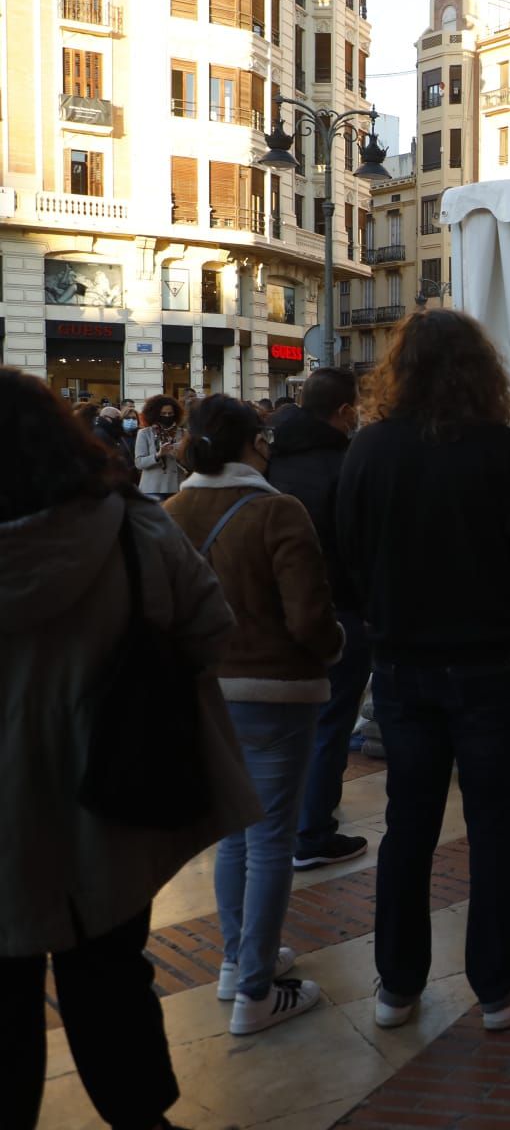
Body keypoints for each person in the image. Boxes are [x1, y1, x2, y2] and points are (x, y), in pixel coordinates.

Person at [0, 368, 258, 1130]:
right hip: (113, 791)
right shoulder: (129, 524)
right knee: (111, 973)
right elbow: (211, 631)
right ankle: (141, 1119)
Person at [336, 309, 510, 1033]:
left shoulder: (369, 449)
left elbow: (343, 566)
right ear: (480, 372)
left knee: (409, 826)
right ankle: (498, 989)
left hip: (403, 666)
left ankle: (396, 988)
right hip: (491, 663)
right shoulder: (501, 449)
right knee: (495, 828)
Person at [166, 396, 342, 1035]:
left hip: (205, 695)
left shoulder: (170, 513)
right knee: (271, 840)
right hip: (276, 692)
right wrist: (337, 649)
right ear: (255, 443)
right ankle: (257, 991)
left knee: (234, 837)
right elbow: (309, 617)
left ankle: (238, 961)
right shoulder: (277, 511)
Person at [268, 367, 373, 872]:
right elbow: (360, 545)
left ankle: (284, 824)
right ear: (344, 411)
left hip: (277, 612)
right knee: (331, 722)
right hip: (339, 610)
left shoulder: (270, 461)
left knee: (287, 726)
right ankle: (313, 831)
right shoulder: (345, 465)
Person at [134, 394, 186, 499]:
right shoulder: (145, 433)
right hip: (153, 488)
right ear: (156, 414)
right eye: (163, 413)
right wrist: (158, 455)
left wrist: (179, 454)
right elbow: (139, 463)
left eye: (170, 413)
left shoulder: (183, 433)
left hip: (177, 487)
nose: (167, 416)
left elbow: (191, 461)